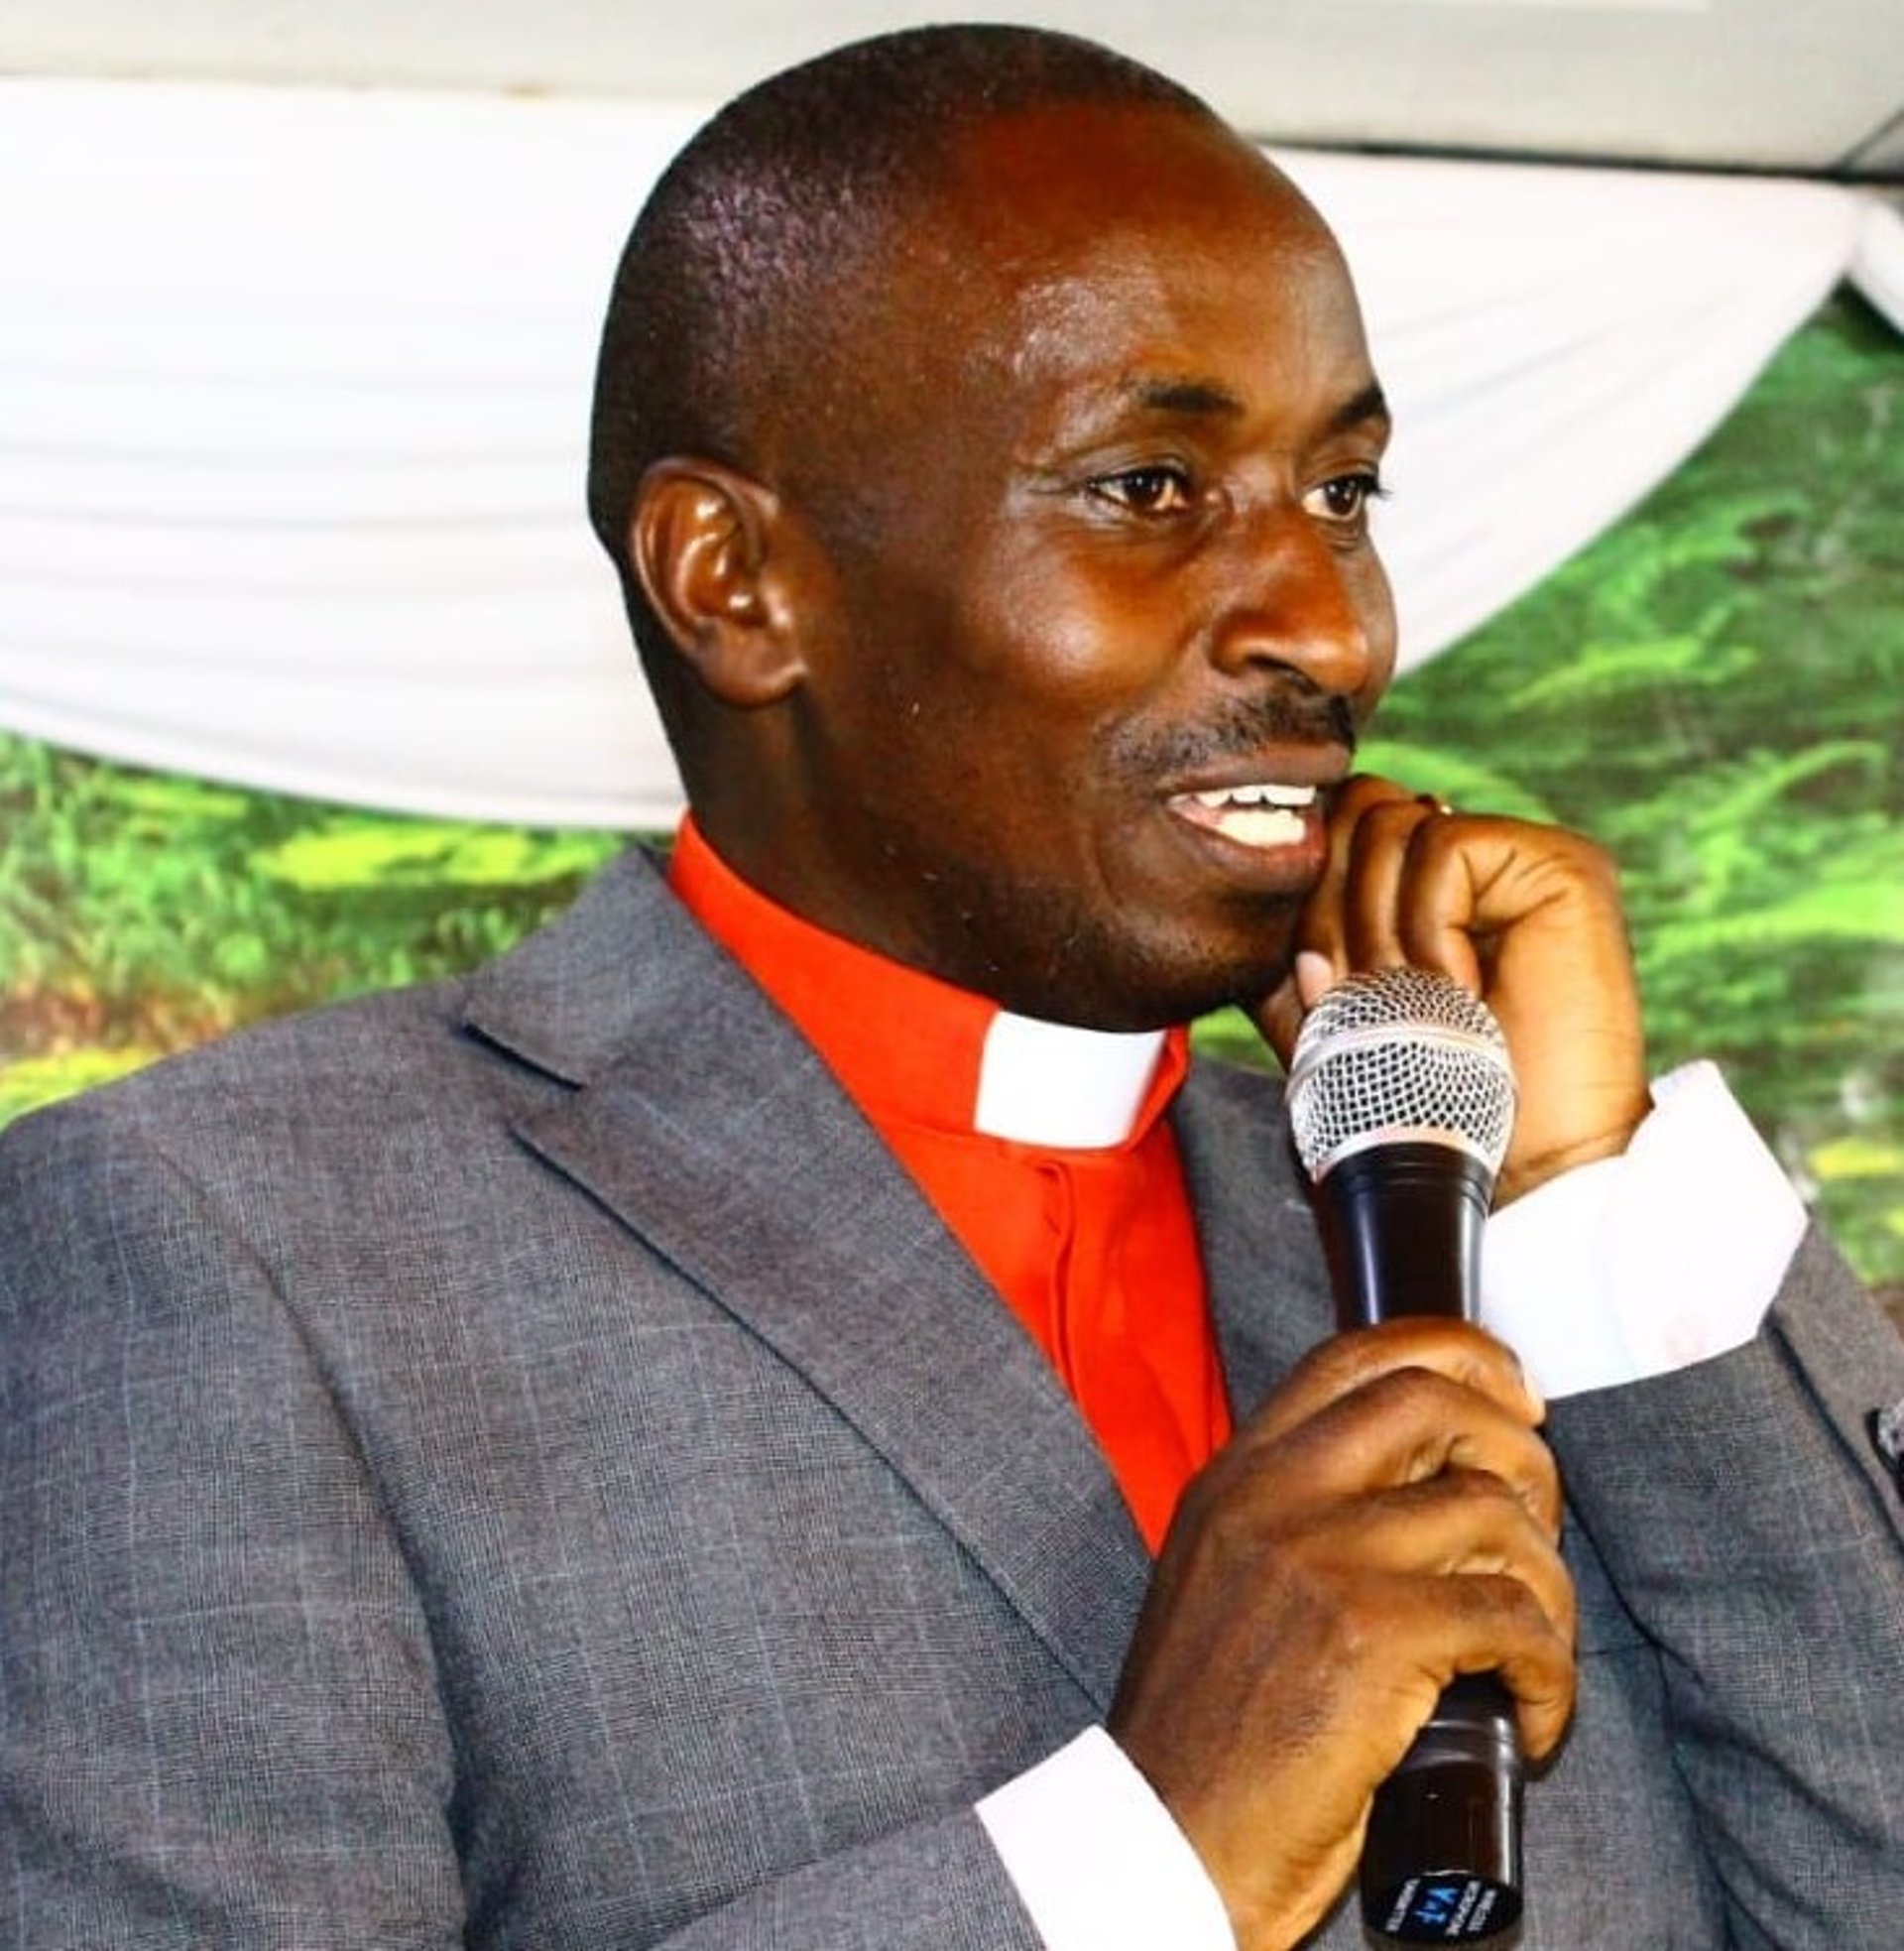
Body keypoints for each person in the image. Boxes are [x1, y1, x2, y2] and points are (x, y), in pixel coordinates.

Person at [3, 23, 1901, 1951]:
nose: (1332, 625)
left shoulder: (1473, 1240)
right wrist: (1151, 1860)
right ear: (735, 581)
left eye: (1344, 495)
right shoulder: (225, 1251)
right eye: (1154, 488)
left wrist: (1587, 1196)